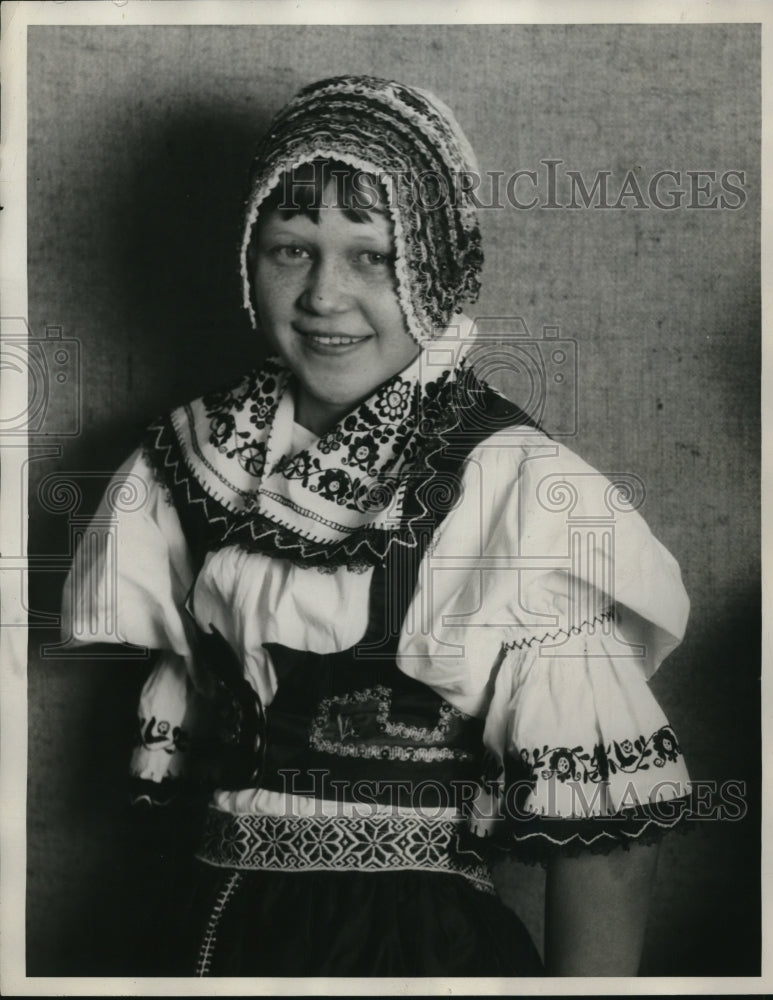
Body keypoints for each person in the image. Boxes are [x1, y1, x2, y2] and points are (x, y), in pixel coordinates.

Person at [62, 75, 691, 977]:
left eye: (373, 256)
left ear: (440, 269)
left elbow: (611, 847)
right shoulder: (195, 458)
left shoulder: (511, 487)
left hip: (399, 946)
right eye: (291, 248)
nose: (325, 296)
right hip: (202, 929)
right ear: (248, 258)